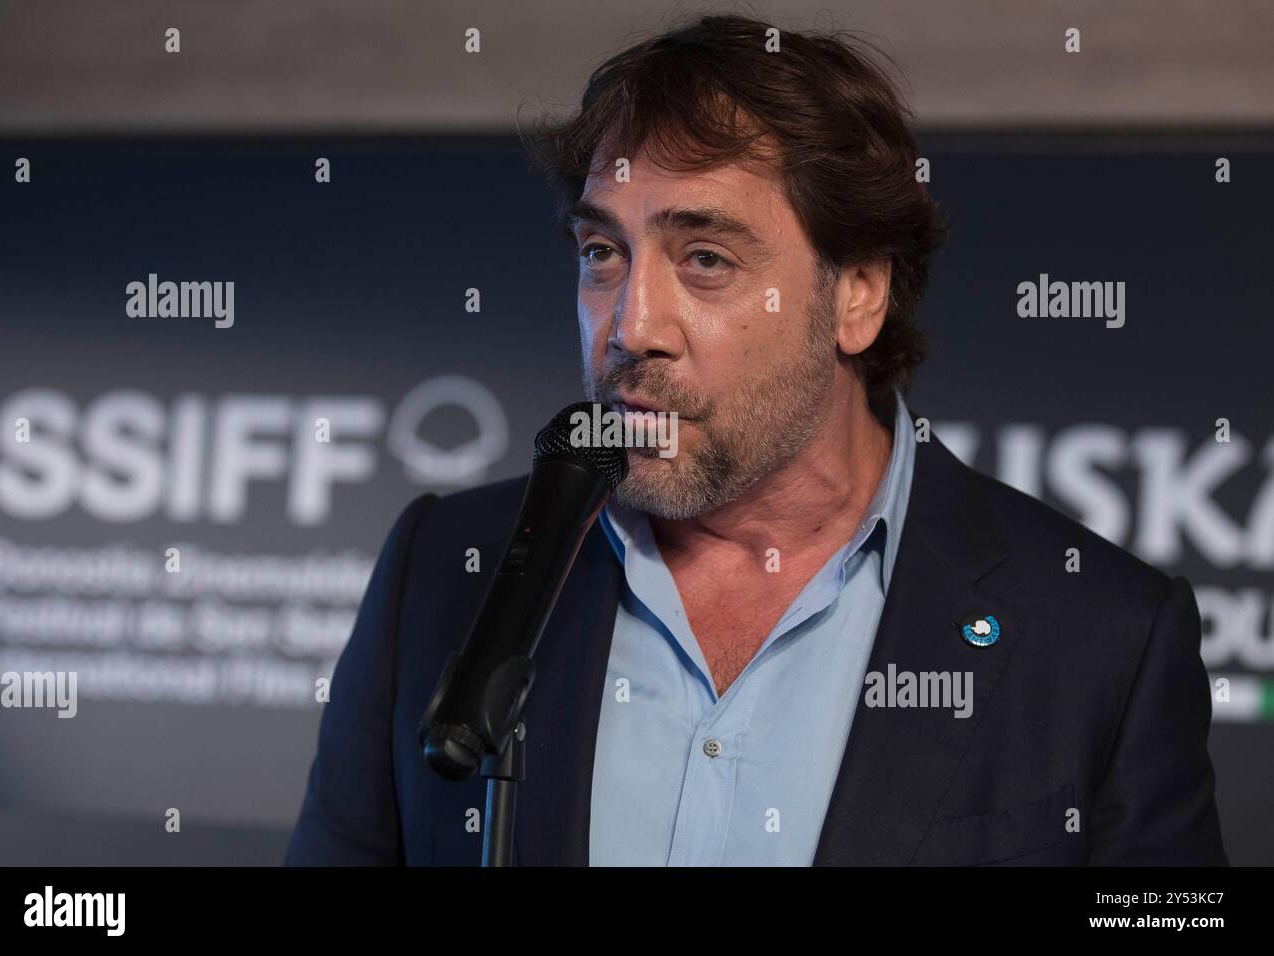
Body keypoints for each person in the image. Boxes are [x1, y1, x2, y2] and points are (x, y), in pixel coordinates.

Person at [285, 13, 1226, 866]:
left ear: (856, 293)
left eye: (706, 260)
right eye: (602, 254)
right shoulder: (447, 570)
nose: (631, 327)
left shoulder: (1100, 636)